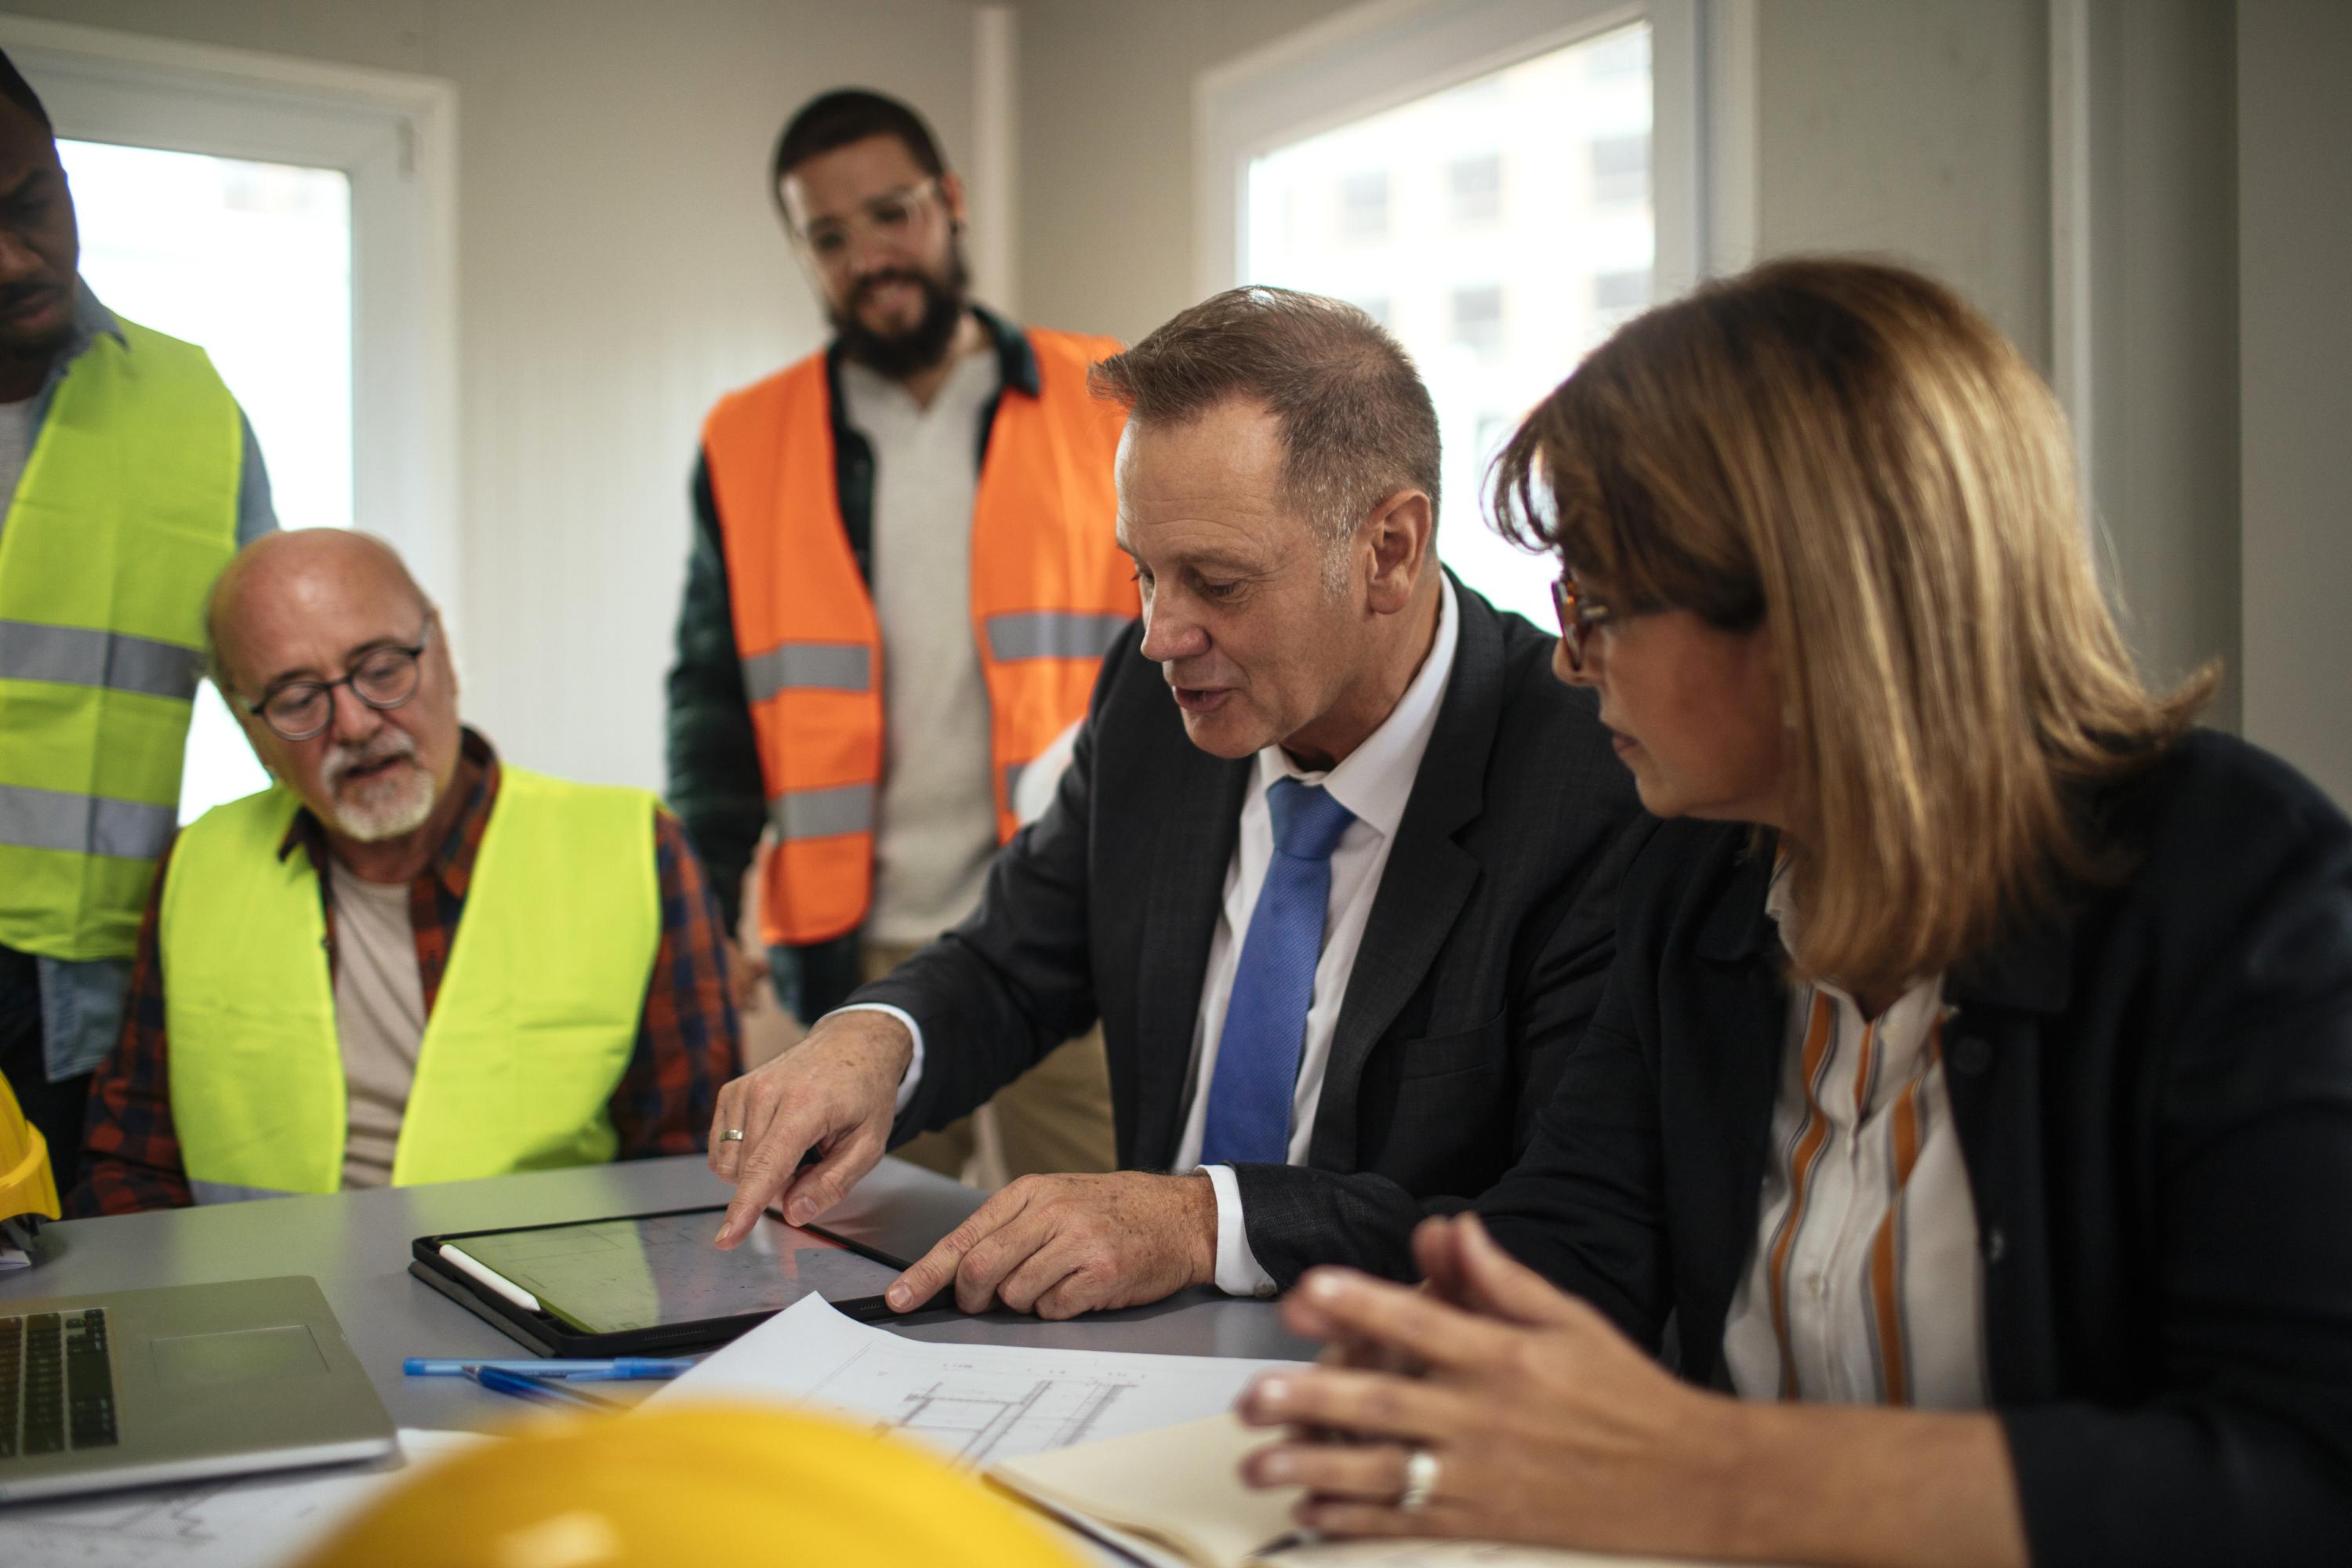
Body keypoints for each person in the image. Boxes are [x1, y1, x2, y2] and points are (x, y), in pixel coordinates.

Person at [1232, 259, 2352, 1566]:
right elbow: (1571, 1235)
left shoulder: (2237, 888)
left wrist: (1710, 1476)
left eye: (1597, 603)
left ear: (1818, 609)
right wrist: (1419, 1367)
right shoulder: (1695, 876)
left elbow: (2302, 1479)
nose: (1569, 657)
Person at [708, 286, 1646, 1319]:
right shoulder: (1157, 704)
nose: (1161, 634)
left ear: (1390, 550)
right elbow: (1014, 959)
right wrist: (877, 1040)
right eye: (1145, 575)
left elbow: (1564, 1229)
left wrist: (1203, 1224)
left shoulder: (1591, 782)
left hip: (1401, 1395)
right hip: (1124, 1375)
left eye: (1218, 582)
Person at [667, 88, 1134, 1190]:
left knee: (1115, 1264)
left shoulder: (1104, 397)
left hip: (1073, 934)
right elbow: (712, 707)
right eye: (830, 237)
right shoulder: (749, 438)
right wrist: (704, 915)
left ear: (950, 201)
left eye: (891, 215)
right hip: (854, 959)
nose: (869, 256)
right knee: (844, 1270)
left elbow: (1175, 652)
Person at [67, 529, 735, 1212]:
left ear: (442, 651)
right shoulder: (197, 863)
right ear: (249, 727)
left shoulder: (635, 848)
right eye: (297, 700)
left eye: (382, 668)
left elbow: (688, 1170)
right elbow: (131, 1160)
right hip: (251, 1301)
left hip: (539, 1305)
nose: (354, 724)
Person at [0, 50, 276, 1175]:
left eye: (32, 204)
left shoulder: (189, 403)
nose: (16, 258)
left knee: (80, 1321)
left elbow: (286, 692)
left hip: (93, 996)